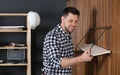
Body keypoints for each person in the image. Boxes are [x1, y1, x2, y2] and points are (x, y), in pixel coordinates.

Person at [42, 7, 93, 75]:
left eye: (76, 21)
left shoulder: (67, 34)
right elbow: (58, 62)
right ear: (63, 19)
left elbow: (66, 56)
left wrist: (83, 48)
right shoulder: (53, 36)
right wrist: (82, 58)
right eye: (71, 21)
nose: (74, 24)